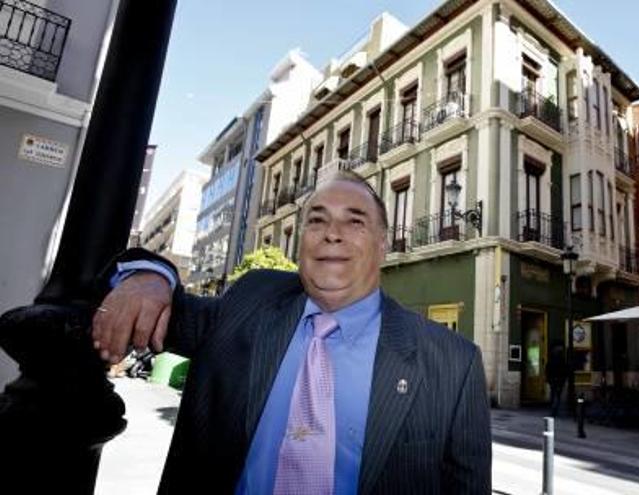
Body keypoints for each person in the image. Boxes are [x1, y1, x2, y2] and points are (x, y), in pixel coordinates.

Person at [91, 172, 492, 494]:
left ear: (383, 244)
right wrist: (150, 276)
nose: (331, 233)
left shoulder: (452, 364)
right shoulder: (249, 302)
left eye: (355, 221)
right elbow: (165, 310)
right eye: (317, 220)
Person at [545, 340, 567, 417]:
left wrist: (548, 379)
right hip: (558, 379)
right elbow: (564, 370)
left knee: (554, 394)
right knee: (557, 395)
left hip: (554, 379)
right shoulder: (561, 359)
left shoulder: (552, 358)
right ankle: (554, 409)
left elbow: (548, 369)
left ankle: (554, 409)